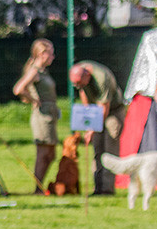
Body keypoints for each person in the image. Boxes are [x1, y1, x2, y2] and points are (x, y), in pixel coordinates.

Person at [69, 60, 125, 195]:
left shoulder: (101, 77)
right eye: (75, 84)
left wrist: (92, 129)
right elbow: (82, 91)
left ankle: (107, 189)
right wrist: (87, 116)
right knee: (97, 148)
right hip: (96, 111)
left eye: (79, 83)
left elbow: (104, 107)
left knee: (109, 148)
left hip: (113, 111)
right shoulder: (80, 74)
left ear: (87, 75)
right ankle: (97, 188)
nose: (77, 86)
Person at [13, 39, 59, 193]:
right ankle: (38, 188)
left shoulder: (43, 71)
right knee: (43, 153)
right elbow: (18, 89)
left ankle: (40, 186)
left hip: (50, 115)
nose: (53, 56)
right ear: (42, 54)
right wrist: (33, 100)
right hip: (42, 116)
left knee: (51, 154)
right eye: (51, 53)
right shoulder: (34, 71)